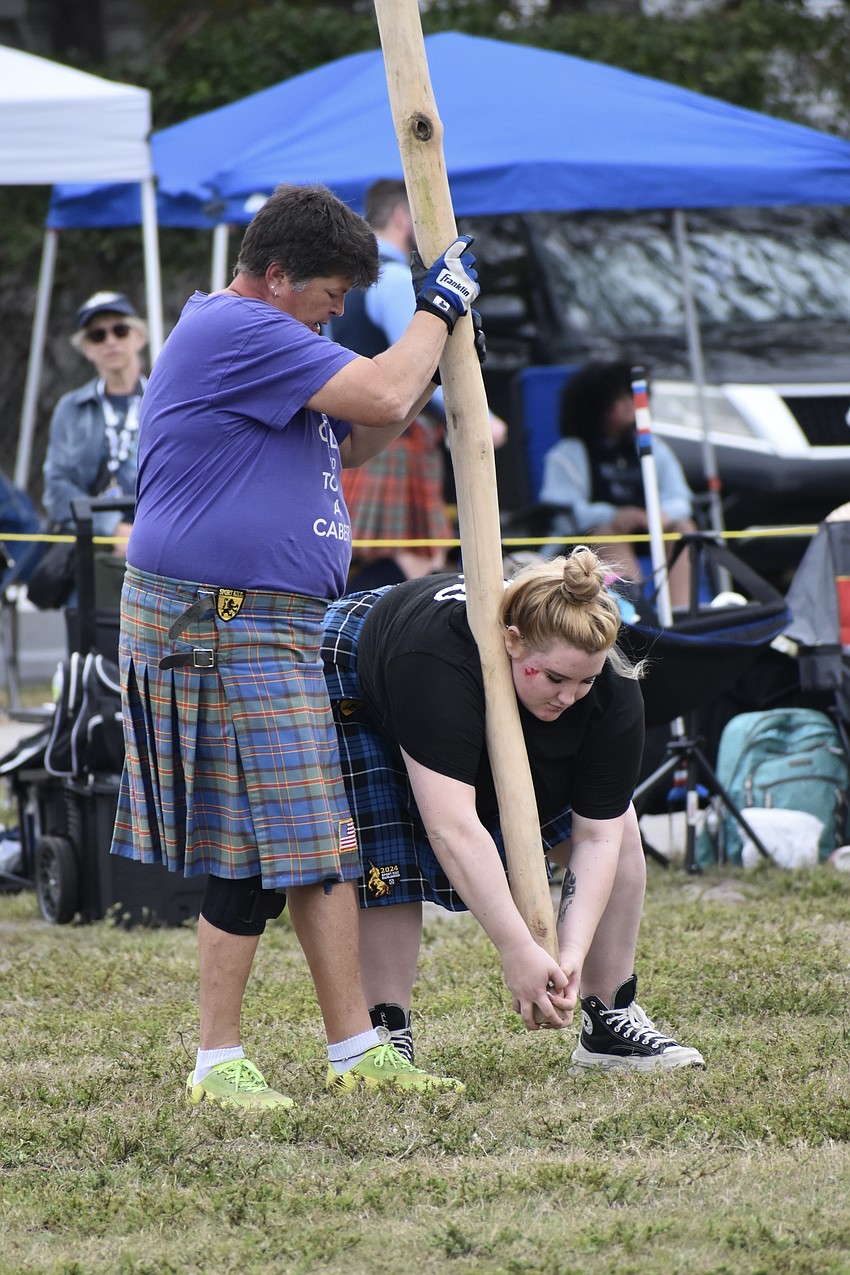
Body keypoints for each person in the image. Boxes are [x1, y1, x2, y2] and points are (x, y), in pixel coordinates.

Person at [109, 183, 481, 1111]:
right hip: (218, 617)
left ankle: (354, 1047)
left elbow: (359, 439)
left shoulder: (280, 346)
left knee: (322, 839)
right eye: (329, 293)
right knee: (255, 849)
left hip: (265, 618)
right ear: (276, 274)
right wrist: (434, 311)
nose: (339, 311)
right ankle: (216, 1062)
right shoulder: (235, 329)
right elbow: (387, 384)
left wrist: (436, 355)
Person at [321, 546, 704, 1072]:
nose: (570, 696)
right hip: (371, 677)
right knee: (388, 855)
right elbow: (452, 827)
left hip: (480, 685)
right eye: (554, 678)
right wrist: (517, 949)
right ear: (513, 641)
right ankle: (385, 1031)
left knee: (625, 835)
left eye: (584, 680)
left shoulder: (611, 696)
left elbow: (597, 838)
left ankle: (607, 1019)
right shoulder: (434, 665)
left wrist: (568, 953)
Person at [331, 178, 507, 588]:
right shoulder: (391, 279)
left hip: (360, 423)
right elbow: (418, 364)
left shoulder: (351, 280)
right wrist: (484, 419)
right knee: (418, 556)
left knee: (376, 552)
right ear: (399, 216)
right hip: (394, 435)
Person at [539, 361, 697, 609]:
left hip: (648, 531)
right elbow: (565, 508)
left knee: (682, 528)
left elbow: (680, 497)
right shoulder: (568, 454)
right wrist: (614, 516)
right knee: (605, 532)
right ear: (597, 406)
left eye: (631, 397)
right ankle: (636, 611)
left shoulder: (650, 448)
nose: (630, 404)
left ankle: (682, 612)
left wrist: (661, 514)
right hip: (585, 545)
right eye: (619, 398)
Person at [42, 291, 147, 608]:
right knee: (84, 645)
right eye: (98, 335)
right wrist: (112, 528)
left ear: (138, 337)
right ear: (86, 348)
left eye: (120, 330)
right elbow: (56, 488)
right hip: (92, 547)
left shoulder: (165, 399)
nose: (110, 341)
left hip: (155, 547)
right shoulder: (71, 408)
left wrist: (141, 535)